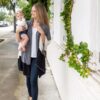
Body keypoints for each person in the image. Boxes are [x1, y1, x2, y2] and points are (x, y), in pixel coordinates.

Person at [16, 3, 51, 100]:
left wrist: (42, 33)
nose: (32, 12)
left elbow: (46, 44)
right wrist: (17, 32)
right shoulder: (27, 24)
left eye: (34, 11)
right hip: (26, 56)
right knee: (27, 80)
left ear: (39, 12)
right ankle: (31, 96)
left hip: (37, 57)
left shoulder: (44, 27)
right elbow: (19, 39)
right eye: (32, 11)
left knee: (33, 80)